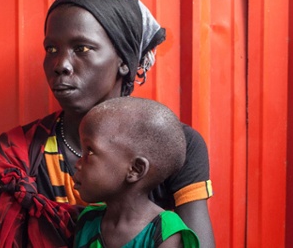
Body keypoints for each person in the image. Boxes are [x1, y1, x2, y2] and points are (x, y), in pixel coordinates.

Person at [0, 0, 214, 248]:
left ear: (123, 60)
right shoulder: (14, 155)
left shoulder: (172, 143)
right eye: (51, 49)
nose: (60, 65)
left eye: (81, 48)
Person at [73, 96, 200, 248]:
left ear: (135, 169)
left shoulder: (164, 231)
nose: (78, 163)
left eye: (90, 152)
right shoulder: (88, 221)